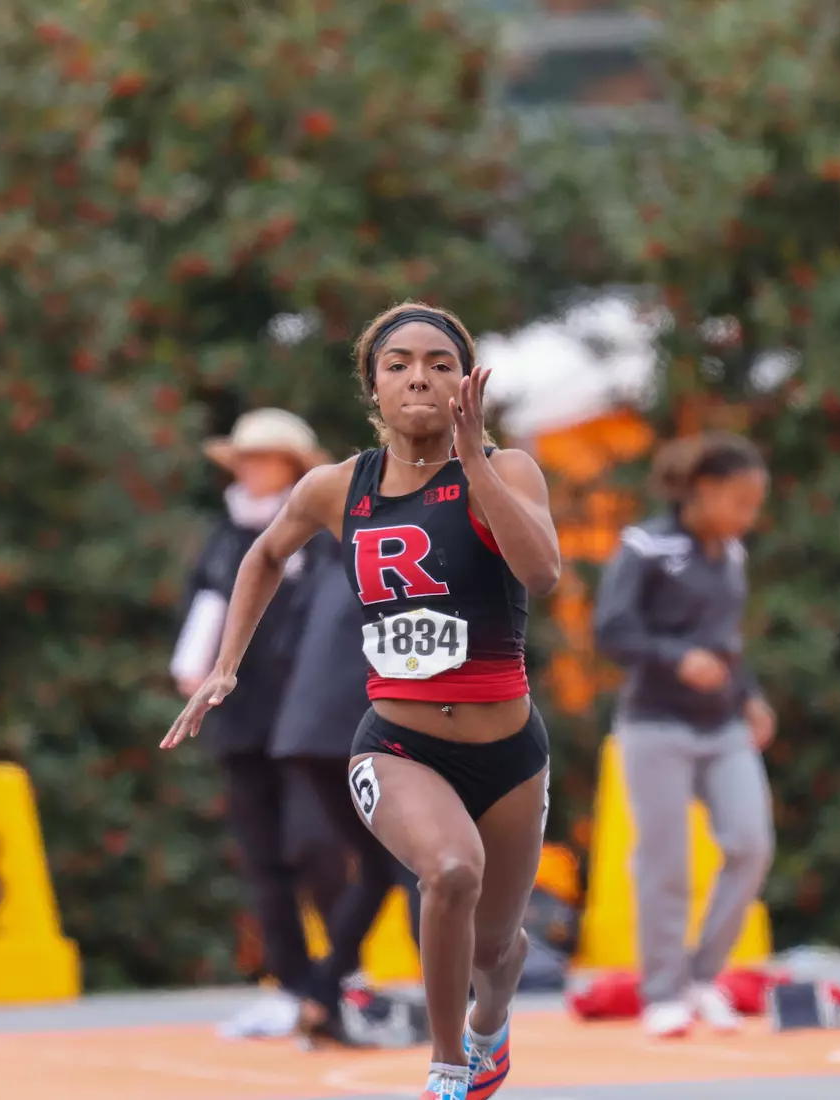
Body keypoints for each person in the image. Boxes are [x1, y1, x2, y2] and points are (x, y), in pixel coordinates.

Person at [163, 301, 560, 1100]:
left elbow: (542, 573)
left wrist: (475, 459)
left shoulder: (508, 469)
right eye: (399, 363)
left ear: (465, 384)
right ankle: (449, 1068)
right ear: (372, 388)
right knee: (448, 872)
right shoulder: (334, 488)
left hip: (509, 750)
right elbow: (262, 558)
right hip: (398, 744)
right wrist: (224, 664)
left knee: (498, 948)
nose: (420, 375)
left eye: (441, 363)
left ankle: (489, 1026)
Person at [170, 408, 347, 1041]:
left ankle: (344, 973)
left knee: (314, 844)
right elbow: (201, 606)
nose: (251, 468)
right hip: (239, 718)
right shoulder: (223, 533)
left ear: (296, 467)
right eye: (244, 458)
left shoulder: (324, 531)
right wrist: (191, 669)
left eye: (265, 457)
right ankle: (293, 984)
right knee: (263, 860)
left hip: (307, 719)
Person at [593, 432, 777, 1039]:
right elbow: (613, 631)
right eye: (741, 502)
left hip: (722, 725)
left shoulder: (733, 556)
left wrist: (749, 695)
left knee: (750, 844)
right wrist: (676, 658)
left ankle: (703, 976)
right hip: (655, 725)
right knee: (664, 862)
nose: (749, 517)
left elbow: (727, 640)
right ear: (703, 492)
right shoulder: (644, 546)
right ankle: (663, 991)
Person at [265, 529, 407, 1045]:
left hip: (303, 731)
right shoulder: (418, 556)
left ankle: (322, 996)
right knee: (414, 860)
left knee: (381, 865)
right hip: (359, 724)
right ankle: (454, 1004)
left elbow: (283, 647)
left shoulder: (331, 560)